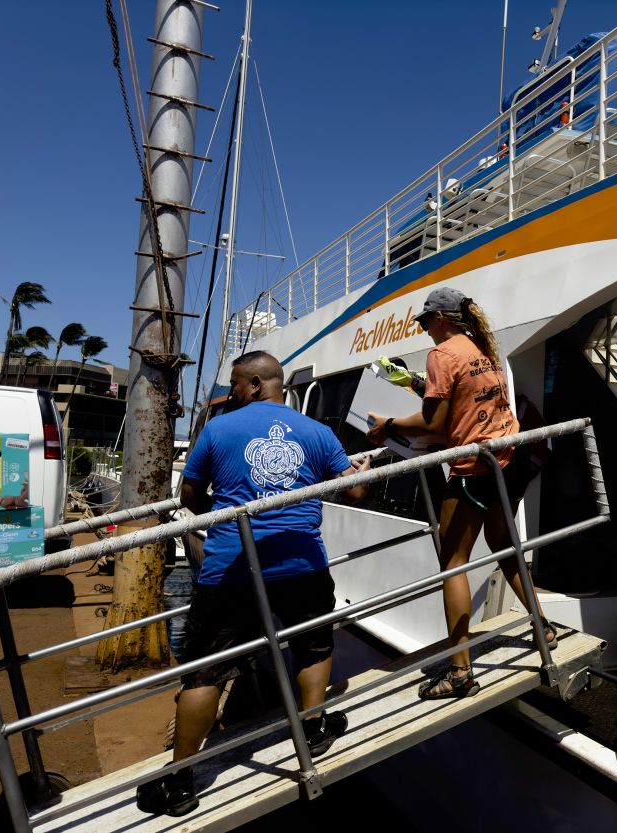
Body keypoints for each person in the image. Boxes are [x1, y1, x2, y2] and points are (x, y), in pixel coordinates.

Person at [137, 351, 369, 817]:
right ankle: (313, 728)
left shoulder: (219, 430)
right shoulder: (318, 433)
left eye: (237, 384)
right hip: (301, 564)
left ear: (258, 384)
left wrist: (225, 511)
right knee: (313, 647)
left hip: (232, 568)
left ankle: (180, 782)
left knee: (206, 671)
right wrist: (357, 474)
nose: (233, 392)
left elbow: (190, 496)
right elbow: (355, 489)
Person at [366, 287, 554, 700]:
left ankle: (460, 672)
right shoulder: (480, 348)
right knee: (504, 545)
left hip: (476, 469)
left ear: (442, 319)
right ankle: (544, 626)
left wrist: (389, 426)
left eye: (426, 321)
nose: (425, 329)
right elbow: (462, 399)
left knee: (452, 563)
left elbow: (435, 426)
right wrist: (413, 383)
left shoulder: (443, 353)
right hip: (512, 457)